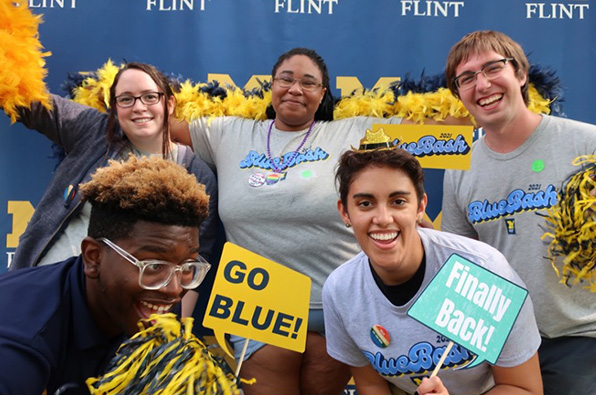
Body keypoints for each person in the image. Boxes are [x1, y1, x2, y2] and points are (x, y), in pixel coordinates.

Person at [171, 47, 471, 395]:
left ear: (323, 94)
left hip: (338, 306)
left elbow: (453, 137)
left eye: (309, 82)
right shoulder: (227, 133)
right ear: (270, 85)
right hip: (258, 307)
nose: (296, 88)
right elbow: (153, 118)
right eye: (286, 79)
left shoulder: (356, 131)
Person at [441, 30, 596, 394]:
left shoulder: (591, 145)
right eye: (466, 78)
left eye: (493, 68)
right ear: (458, 93)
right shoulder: (459, 169)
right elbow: (461, 267)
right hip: (503, 347)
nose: (482, 84)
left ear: (521, 74)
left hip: (582, 338)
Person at [323, 142, 543, 395]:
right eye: (365, 204)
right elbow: (372, 385)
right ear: (345, 212)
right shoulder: (341, 291)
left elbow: (524, 388)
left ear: (420, 206)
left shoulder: (483, 269)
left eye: (398, 201)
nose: (383, 218)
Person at [8, 62, 218, 316]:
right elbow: (27, 101)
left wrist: (175, 332)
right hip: (44, 294)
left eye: (150, 97)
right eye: (126, 99)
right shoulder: (95, 134)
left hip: (124, 315)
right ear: (115, 108)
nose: (139, 107)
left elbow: (193, 261)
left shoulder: (196, 174)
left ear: (169, 103)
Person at [0, 155, 212, 395]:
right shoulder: (20, 338)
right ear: (93, 257)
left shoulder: (154, 303)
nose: (174, 290)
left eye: (187, 267)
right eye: (153, 266)